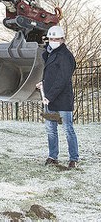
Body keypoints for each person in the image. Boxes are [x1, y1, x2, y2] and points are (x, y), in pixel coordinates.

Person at [37, 25, 79, 169]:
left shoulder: (65, 56)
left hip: (62, 101)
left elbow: (62, 79)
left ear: (62, 39)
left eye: (56, 38)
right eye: (51, 38)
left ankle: (73, 159)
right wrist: (42, 84)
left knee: (68, 129)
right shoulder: (49, 53)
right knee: (51, 130)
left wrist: (49, 96)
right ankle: (52, 156)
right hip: (49, 101)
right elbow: (51, 75)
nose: (53, 41)